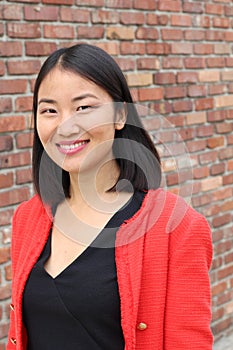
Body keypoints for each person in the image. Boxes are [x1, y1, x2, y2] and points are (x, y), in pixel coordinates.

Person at [7, 43, 213, 350]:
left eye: (84, 107)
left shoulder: (176, 228)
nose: (65, 125)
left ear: (120, 115)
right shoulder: (28, 218)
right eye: (49, 110)